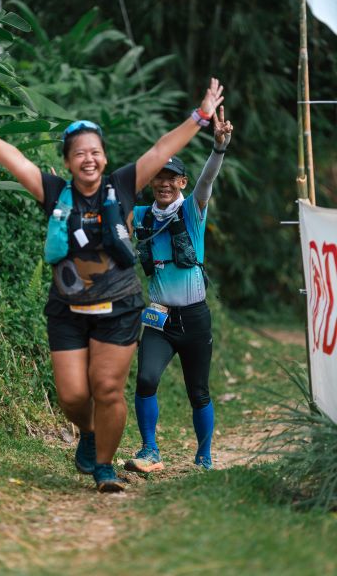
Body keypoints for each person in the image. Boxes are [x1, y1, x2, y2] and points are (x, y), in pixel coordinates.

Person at [0, 79, 224, 492]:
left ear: (104, 158)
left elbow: (160, 151)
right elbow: (19, 163)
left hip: (118, 308)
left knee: (109, 388)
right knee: (71, 396)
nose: (89, 158)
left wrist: (201, 116)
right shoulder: (55, 193)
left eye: (95, 151)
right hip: (68, 309)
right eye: (79, 153)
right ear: (68, 161)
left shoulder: (122, 186)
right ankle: (88, 431)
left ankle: (105, 467)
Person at [125, 106, 232, 474]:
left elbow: (207, 181)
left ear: (182, 183)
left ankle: (204, 457)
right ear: (151, 181)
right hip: (160, 319)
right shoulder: (141, 215)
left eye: (172, 178)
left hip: (195, 318)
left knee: (198, 392)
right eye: (159, 177)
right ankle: (149, 449)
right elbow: (110, 213)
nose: (164, 184)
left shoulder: (192, 212)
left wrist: (219, 148)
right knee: (146, 379)